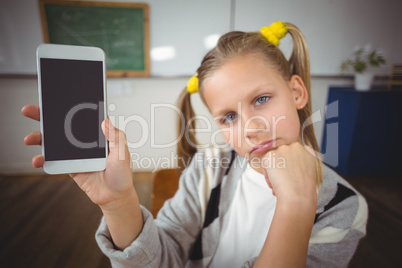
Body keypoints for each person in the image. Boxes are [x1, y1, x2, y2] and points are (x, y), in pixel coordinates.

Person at [22, 21, 368, 267]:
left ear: (296, 92)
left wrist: (296, 203)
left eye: (262, 99)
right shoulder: (208, 169)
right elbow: (162, 260)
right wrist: (118, 203)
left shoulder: (344, 207)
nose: (251, 128)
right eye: (228, 117)